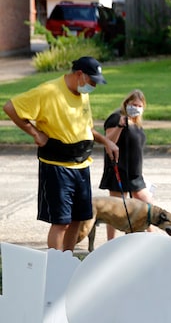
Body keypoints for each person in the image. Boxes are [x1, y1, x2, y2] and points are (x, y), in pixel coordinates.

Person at [2, 57, 118, 251]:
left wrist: (107, 142)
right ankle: (54, 268)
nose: (94, 86)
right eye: (92, 81)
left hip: (81, 165)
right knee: (61, 222)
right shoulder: (49, 91)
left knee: (77, 220)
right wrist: (35, 133)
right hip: (57, 166)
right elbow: (10, 107)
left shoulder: (82, 94)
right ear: (79, 74)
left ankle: (66, 262)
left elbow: (86, 128)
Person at [99, 89, 150, 241]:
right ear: (126, 103)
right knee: (116, 209)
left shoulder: (137, 122)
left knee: (145, 206)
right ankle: (111, 241)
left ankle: (146, 238)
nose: (136, 108)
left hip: (135, 173)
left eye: (139, 106)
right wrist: (120, 126)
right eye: (133, 104)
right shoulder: (116, 118)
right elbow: (108, 141)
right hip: (118, 170)